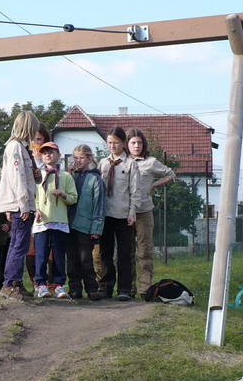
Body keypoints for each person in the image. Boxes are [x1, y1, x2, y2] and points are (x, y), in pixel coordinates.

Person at [0, 110, 39, 301]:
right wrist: (23, 205)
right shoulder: (15, 147)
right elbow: (17, 178)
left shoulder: (19, 148)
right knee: (18, 245)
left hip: (19, 203)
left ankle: (14, 283)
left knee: (18, 244)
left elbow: (25, 176)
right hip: (19, 204)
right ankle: (10, 283)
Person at [127, 128, 175, 296]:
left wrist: (153, 185)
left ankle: (145, 288)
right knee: (127, 251)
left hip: (144, 211)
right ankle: (128, 288)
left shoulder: (151, 162)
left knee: (144, 250)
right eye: (133, 142)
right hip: (124, 212)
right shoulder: (122, 162)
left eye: (139, 142)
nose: (136, 146)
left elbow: (170, 173)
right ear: (127, 144)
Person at [97, 127, 141, 301]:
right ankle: (105, 286)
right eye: (109, 142)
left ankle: (124, 288)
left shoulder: (131, 164)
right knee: (104, 252)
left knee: (124, 253)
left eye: (116, 142)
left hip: (123, 215)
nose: (112, 145)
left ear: (123, 143)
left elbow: (135, 191)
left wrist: (132, 212)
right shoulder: (103, 163)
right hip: (105, 214)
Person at [32, 142, 77, 298]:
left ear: (58, 155)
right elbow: (33, 196)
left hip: (59, 222)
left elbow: (73, 198)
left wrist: (63, 194)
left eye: (51, 152)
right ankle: (41, 284)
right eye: (44, 153)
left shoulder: (65, 176)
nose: (48, 155)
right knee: (41, 255)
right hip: (42, 222)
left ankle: (58, 285)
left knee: (58, 256)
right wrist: (36, 209)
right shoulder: (37, 175)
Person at [66, 145, 106, 300]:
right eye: (75, 158)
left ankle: (91, 288)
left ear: (89, 159)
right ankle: (74, 288)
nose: (78, 161)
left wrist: (96, 228)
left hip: (86, 225)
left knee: (85, 259)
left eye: (81, 157)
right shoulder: (70, 176)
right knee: (71, 259)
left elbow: (99, 205)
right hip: (69, 224)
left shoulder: (95, 179)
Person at [24, 124, 47, 284]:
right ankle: (35, 283)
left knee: (48, 249)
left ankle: (51, 282)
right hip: (30, 208)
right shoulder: (24, 161)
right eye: (32, 140)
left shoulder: (51, 163)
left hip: (48, 211)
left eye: (38, 139)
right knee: (30, 248)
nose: (35, 144)